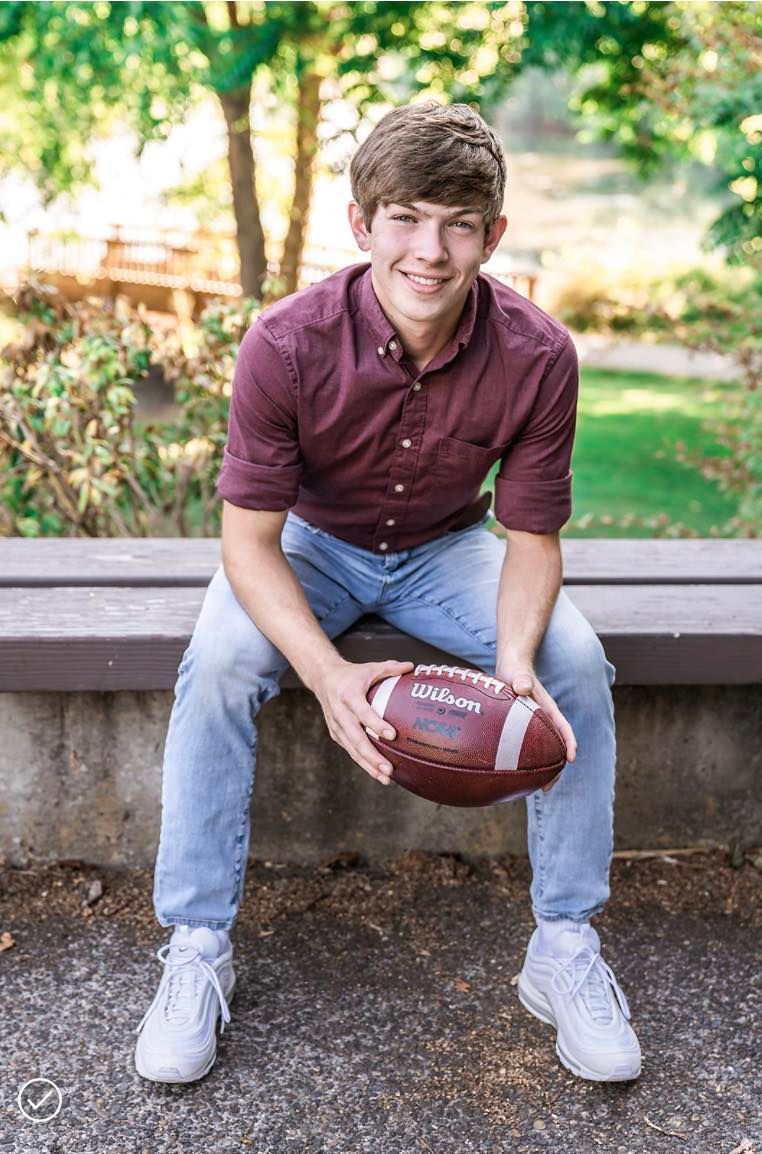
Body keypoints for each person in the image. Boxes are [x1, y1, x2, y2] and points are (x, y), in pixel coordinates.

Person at [134, 102, 641, 1086]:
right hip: (309, 546)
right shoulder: (285, 342)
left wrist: (512, 664)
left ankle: (564, 945)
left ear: (493, 234)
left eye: (459, 223)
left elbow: (532, 538)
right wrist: (327, 677)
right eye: (406, 217)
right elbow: (248, 541)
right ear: (362, 225)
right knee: (227, 658)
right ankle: (196, 945)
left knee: (573, 660)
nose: (432, 249)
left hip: (448, 548)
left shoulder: (539, 355)